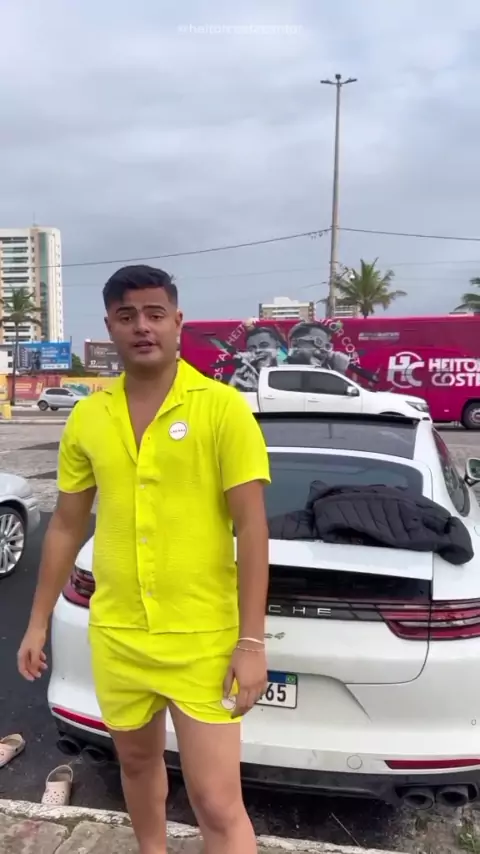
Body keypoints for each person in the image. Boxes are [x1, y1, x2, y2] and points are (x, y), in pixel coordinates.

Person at [17, 264, 271, 854]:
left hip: (202, 639)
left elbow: (253, 529)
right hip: (119, 635)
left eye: (155, 314)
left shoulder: (222, 409)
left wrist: (252, 642)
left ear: (177, 321)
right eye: (127, 316)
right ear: (110, 327)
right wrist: (37, 621)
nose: (142, 326)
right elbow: (66, 524)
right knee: (135, 766)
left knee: (216, 802)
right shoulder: (89, 416)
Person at [229, 325, 286, 391]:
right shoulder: (245, 376)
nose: (257, 350)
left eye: (264, 345)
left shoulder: (288, 373)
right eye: (251, 348)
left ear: (278, 346)